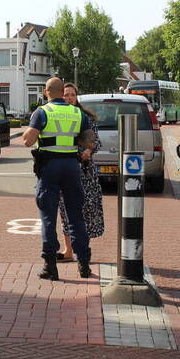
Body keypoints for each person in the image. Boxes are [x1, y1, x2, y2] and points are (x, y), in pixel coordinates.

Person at [23, 77, 93, 280]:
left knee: (48, 217)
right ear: (63, 92)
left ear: (46, 92)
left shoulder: (42, 112)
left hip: (49, 167)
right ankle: (84, 265)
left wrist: (29, 133)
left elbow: (28, 141)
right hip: (72, 166)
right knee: (76, 217)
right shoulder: (77, 113)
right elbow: (89, 141)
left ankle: (50, 267)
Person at [56, 82, 104, 261]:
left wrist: (89, 151)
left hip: (85, 172)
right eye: (66, 95)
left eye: (72, 95)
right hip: (66, 169)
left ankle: (84, 250)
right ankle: (68, 251)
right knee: (65, 211)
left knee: (87, 210)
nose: (69, 98)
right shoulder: (58, 116)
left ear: (77, 97)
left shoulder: (86, 117)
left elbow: (96, 141)